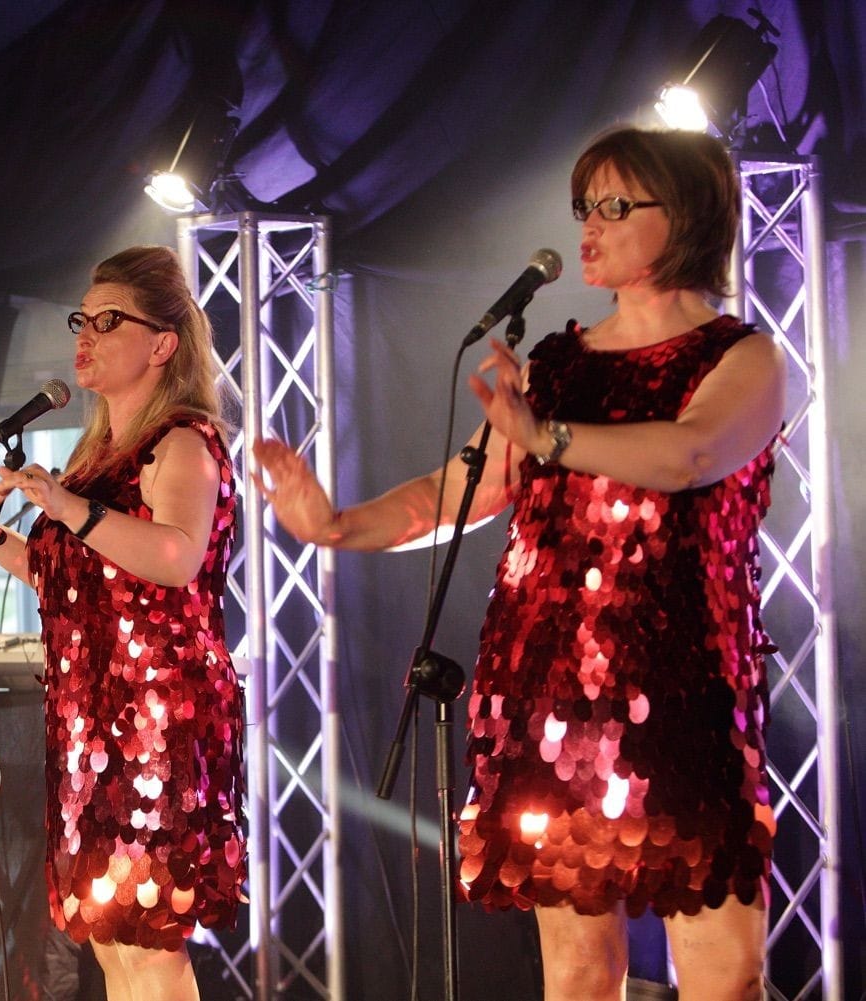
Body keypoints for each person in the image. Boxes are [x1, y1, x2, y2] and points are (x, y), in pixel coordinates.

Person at [252, 127, 783, 1001]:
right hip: (548, 696)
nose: (590, 225)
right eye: (585, 206)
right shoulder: (555, 364)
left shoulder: (740, 356)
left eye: (616, 205)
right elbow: (456, 490)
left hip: (684, 691)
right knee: (578, 971)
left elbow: (689, 454)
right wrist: (336, 524)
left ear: (684, 216)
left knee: (726, 974)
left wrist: (549, 437)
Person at [0, 245, 246, 1001]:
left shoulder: (184, 443)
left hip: (159, 716)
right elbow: (72, 580)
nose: (86, 334)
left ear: (163, 343)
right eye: (82, 318)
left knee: (152, 939)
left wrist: (66, 507)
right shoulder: (95, 457)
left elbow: (174, 556)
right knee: (109, 937)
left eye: (109, 320)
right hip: (91, 718)